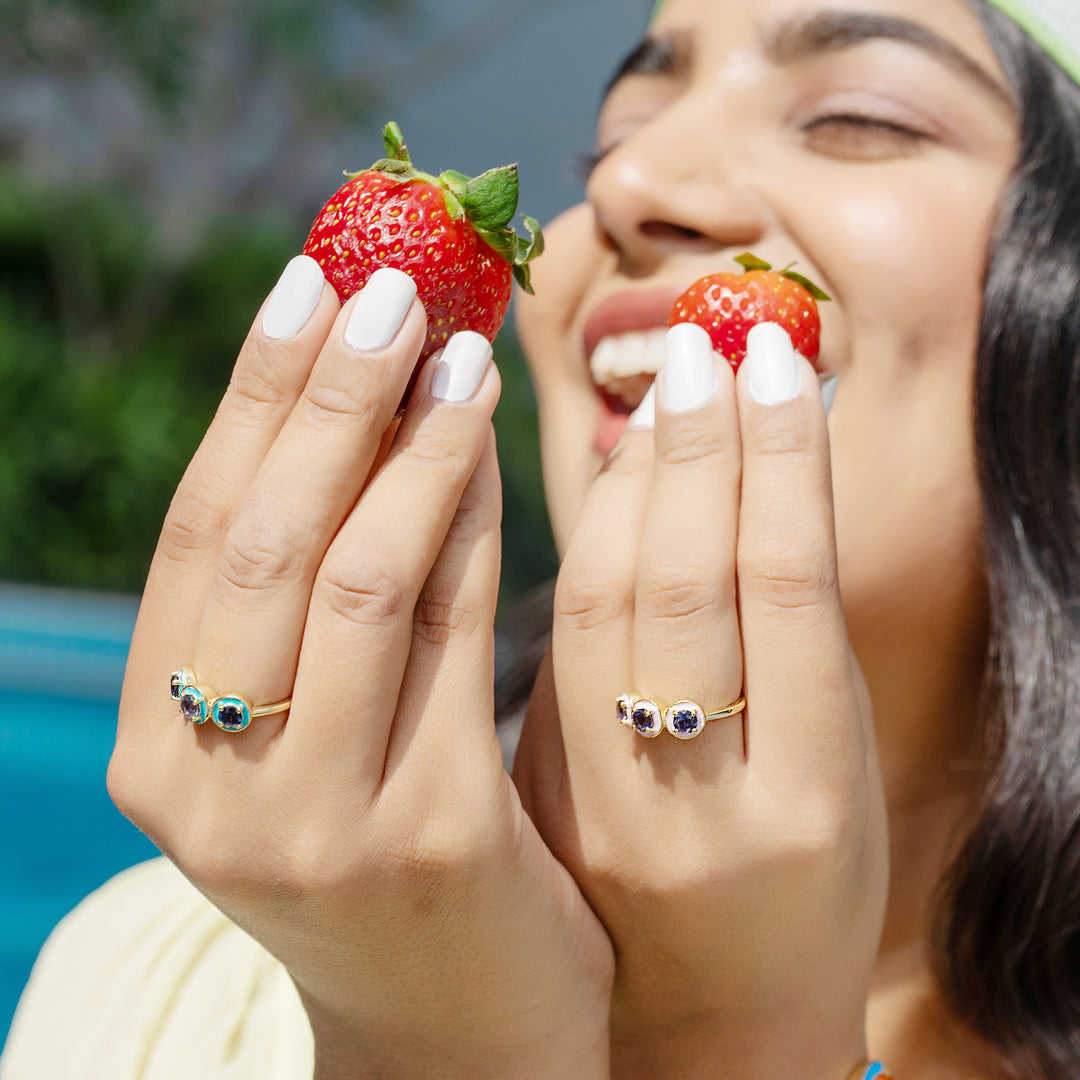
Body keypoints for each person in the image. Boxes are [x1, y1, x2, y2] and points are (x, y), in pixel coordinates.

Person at [3, 0, 1079, 1076]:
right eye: (608, 139)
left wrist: (726, 1044)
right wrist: (433, 1036)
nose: (624, 183)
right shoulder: (153, 985)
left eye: (857, 119)